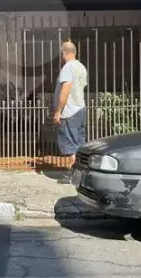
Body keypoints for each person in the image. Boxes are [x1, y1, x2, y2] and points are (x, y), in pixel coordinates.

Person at [51, 41, 88, 183]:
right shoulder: (81, 67)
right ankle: (81, 174)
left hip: (70, 111)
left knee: (70, 145)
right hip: (80, 108)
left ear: (63, 53)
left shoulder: (68, 67)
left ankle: (73, 175)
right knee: (79, 143)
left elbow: (65, 89)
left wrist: (58, 111)